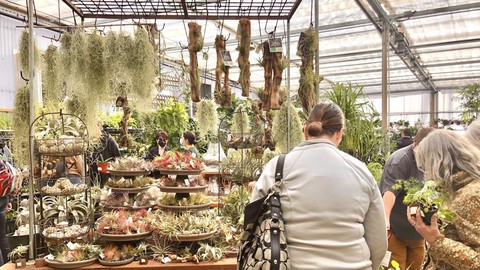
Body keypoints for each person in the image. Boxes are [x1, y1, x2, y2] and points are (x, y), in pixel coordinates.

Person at [251, 102, 387, 269]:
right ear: (340, 134)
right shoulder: (361, 171)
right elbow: (379, 241)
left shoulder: (277, 167)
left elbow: (252, 223)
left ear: (305, 130)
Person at [407, 129, 480, 269]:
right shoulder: (457, 190)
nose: (426, 173)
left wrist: (436, 241)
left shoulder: (471, 196)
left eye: (426, 165)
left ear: (437, 163)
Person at [379, 127, 434, 270]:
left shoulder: (433, 159)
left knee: (415, 266)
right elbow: (390, 192)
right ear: (415, 142)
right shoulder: (399, 161)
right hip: (396, 230)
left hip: (419, 231)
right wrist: (385, 221)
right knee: (395, 266)